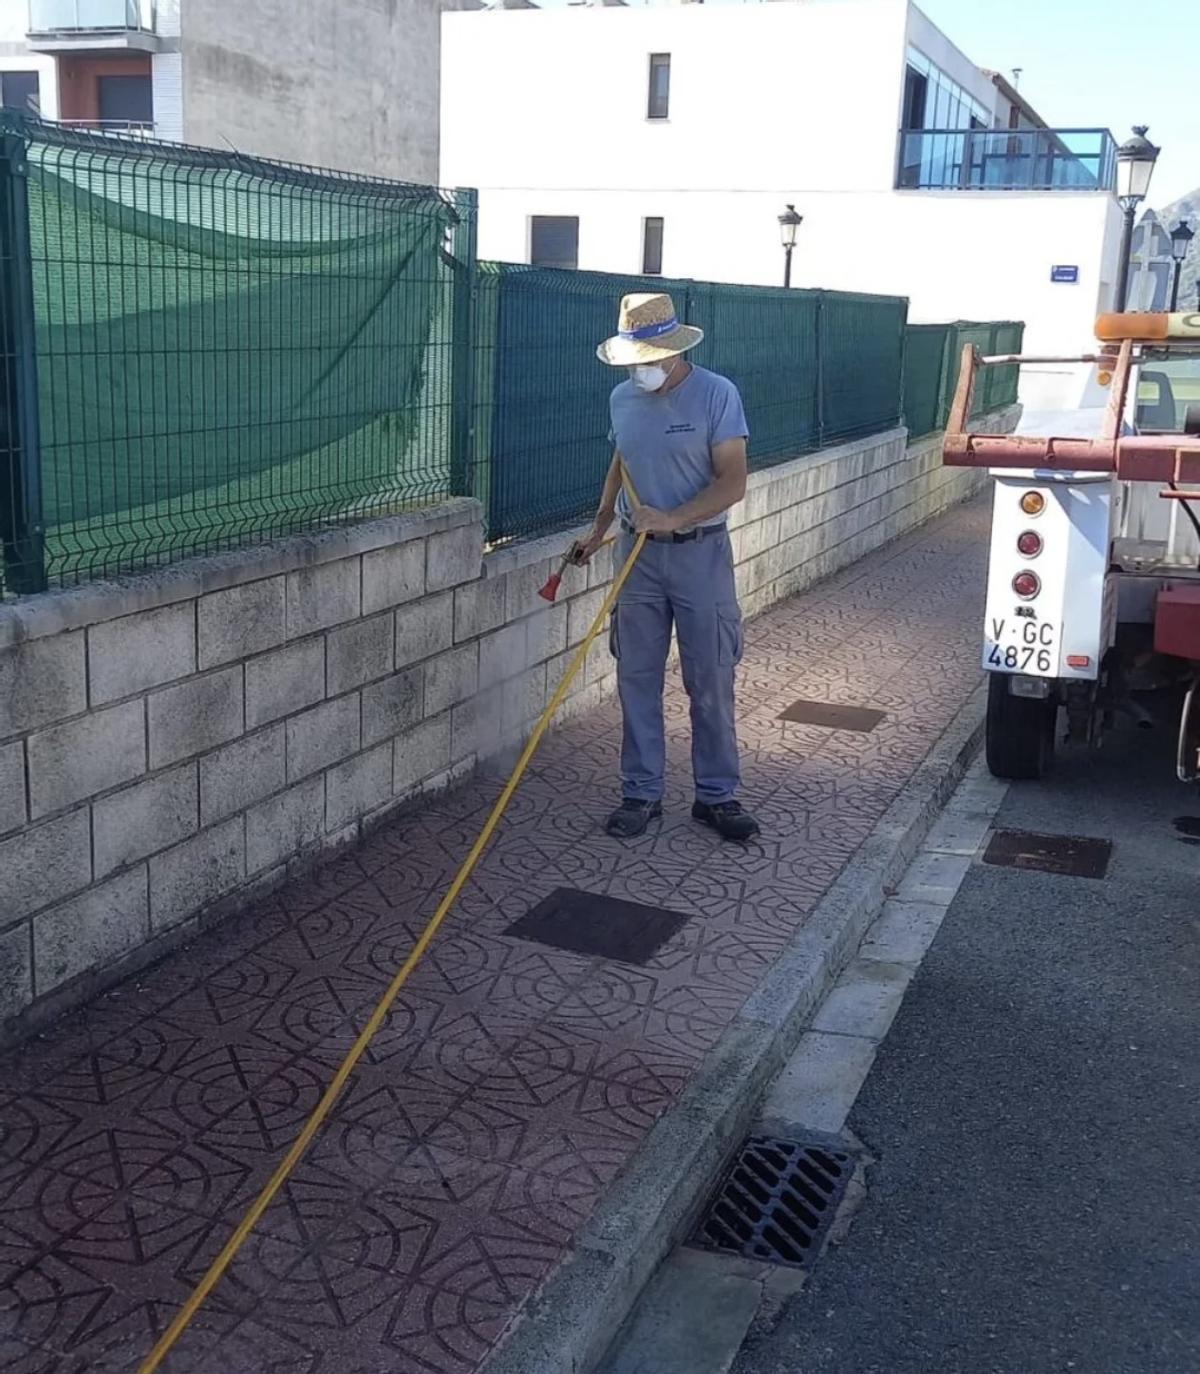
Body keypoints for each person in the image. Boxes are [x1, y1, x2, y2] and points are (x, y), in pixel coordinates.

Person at [572, 292, 760, 843]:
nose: (640, 370)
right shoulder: (621, 400)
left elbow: (733, 480)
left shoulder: (716, 396)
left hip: (699, 554)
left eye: (648, 358)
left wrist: (674, 518)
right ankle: (641, 791)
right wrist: (601, 527)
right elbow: (620, 462)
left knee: (710, 677)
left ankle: (717, 796)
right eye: (633, 360)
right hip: (637, 558)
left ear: (674, 350)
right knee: (635, 677)